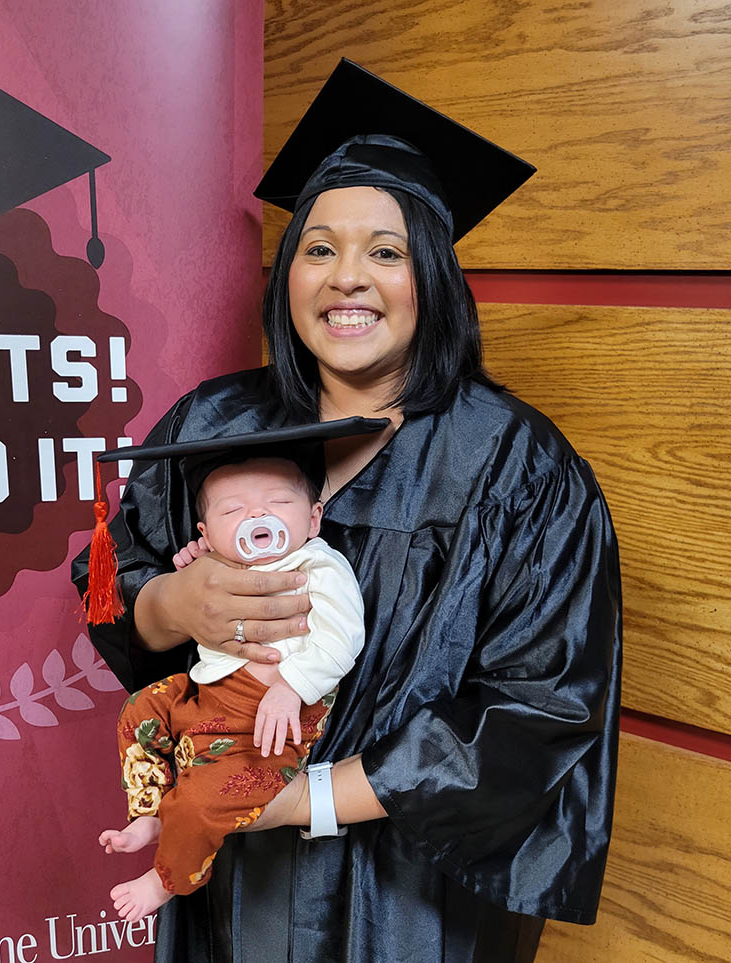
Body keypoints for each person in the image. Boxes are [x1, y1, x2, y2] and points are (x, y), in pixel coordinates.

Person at [73, 59, 621, 963]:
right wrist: (173, 605)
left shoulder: (517, 465)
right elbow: (114, 579)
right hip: (234, 882)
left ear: (432, 277)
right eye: (319, 247)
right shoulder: (214, 424)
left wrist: (304, 799)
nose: (346, 278)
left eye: (387, 251)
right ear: (289, 273)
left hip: (410, 897)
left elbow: (544, 706)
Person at [96, 449, 366, 924]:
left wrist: (292, 685)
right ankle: (152, 810)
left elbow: (344, 634)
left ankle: (166, 879)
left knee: (208, 797)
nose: (256, 515)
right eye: (231, 510)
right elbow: (199, 584)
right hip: (206, 697)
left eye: (278, 502)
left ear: (313, 517)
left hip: (268, 722)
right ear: (207, 533)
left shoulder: (318, 566)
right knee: (141, 711)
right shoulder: (218, 561)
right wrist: (193, 564)